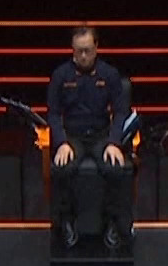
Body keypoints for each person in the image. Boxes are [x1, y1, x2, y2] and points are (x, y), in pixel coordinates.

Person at [46, 24, 133, 249]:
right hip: (72, 136)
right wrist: (61, 142)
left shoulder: (109, 74)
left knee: (115, 168)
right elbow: (53, 113)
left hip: (100, 135)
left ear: (96, 47)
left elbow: (120, 111)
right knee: (61, 168)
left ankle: (112, 222)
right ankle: (66, 221)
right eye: (78, 51)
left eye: (87, 50)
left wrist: (114, 142)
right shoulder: (60, 75)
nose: (83, 56)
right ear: (72, 49)